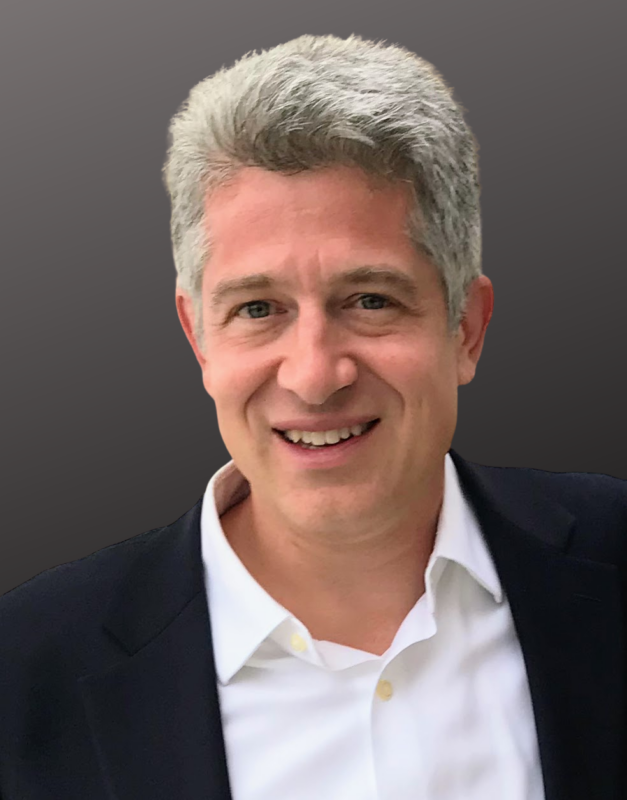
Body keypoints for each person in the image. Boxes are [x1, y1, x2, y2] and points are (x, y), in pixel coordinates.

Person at [0, 34, 624, 800]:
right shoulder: (24, 673)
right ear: (198, 337)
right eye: (258, 309)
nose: (314, 376)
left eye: (370, 300)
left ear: (465, 327)